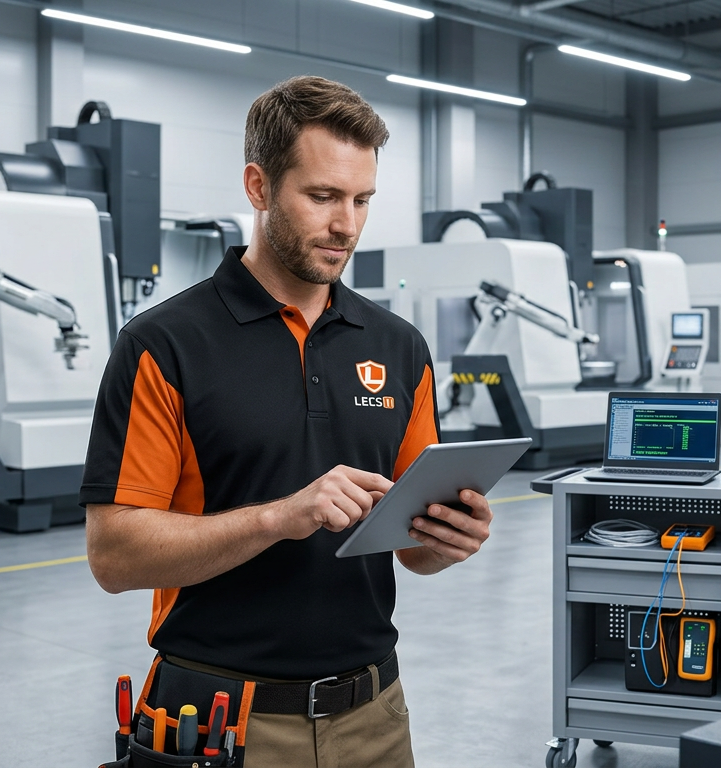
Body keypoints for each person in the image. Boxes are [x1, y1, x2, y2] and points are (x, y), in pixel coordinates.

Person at [81, 76, 494, 767]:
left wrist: (450, 535)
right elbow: (114, 556)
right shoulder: (165, 345)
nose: (347, 225)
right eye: (323, 196)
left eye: (362, 199)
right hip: (217, 721)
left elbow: (414, 550)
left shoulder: (398, 348)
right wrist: (279, 517)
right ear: (258, 186)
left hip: (374, 717)